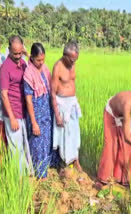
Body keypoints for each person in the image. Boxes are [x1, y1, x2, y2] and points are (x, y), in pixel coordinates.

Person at [0, 35, 33, 173]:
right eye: (15, 53)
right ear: (8, 50)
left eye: (20, 52)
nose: (18, 56)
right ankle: (18, 178)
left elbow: (35, 66)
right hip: (12, 113)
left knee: (24, 144)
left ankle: (26, 173)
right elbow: (3, 94)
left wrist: (26, 54)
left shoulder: (23, 63)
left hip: (23, 111)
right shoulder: (5, 68)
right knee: (15, 146)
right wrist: (12, 118)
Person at [24, 43, 58, 179]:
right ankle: (39, 173)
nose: (41, 62)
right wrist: (34, 122)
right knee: (37, 143)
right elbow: (28, 100)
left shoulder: (44, 69)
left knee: (47, 140)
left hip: (47, 111)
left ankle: (47, 167)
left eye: (43, 59)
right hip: (36, 112)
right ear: (32, 58)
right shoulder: (28, 74)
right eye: (38, 60)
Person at [51, 41, 83, 172]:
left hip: (72, 103)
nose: (73, 62)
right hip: (62, 104)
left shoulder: (73, 64)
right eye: (71, 59)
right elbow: (52, 93)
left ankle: (76, 161)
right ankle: (64, 164)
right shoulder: (58, 67)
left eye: (76, 59)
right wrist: (57, 115)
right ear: (65, 55)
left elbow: (72, 82)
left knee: (75, 134)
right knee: (64, 136)